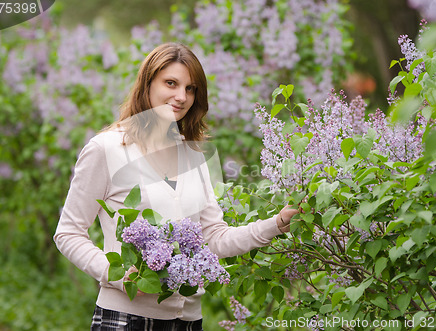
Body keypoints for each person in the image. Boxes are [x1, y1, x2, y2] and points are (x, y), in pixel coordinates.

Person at [53, 42, 299, 331]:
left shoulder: (193, 155)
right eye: (171, 83)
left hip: (189, 321)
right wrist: (117, 275)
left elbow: (214, 238)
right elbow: (68, 233)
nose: (181, 96)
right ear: (147, 84)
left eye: (191, 88)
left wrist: (277, 223)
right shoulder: (107, 149)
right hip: (125, 320)